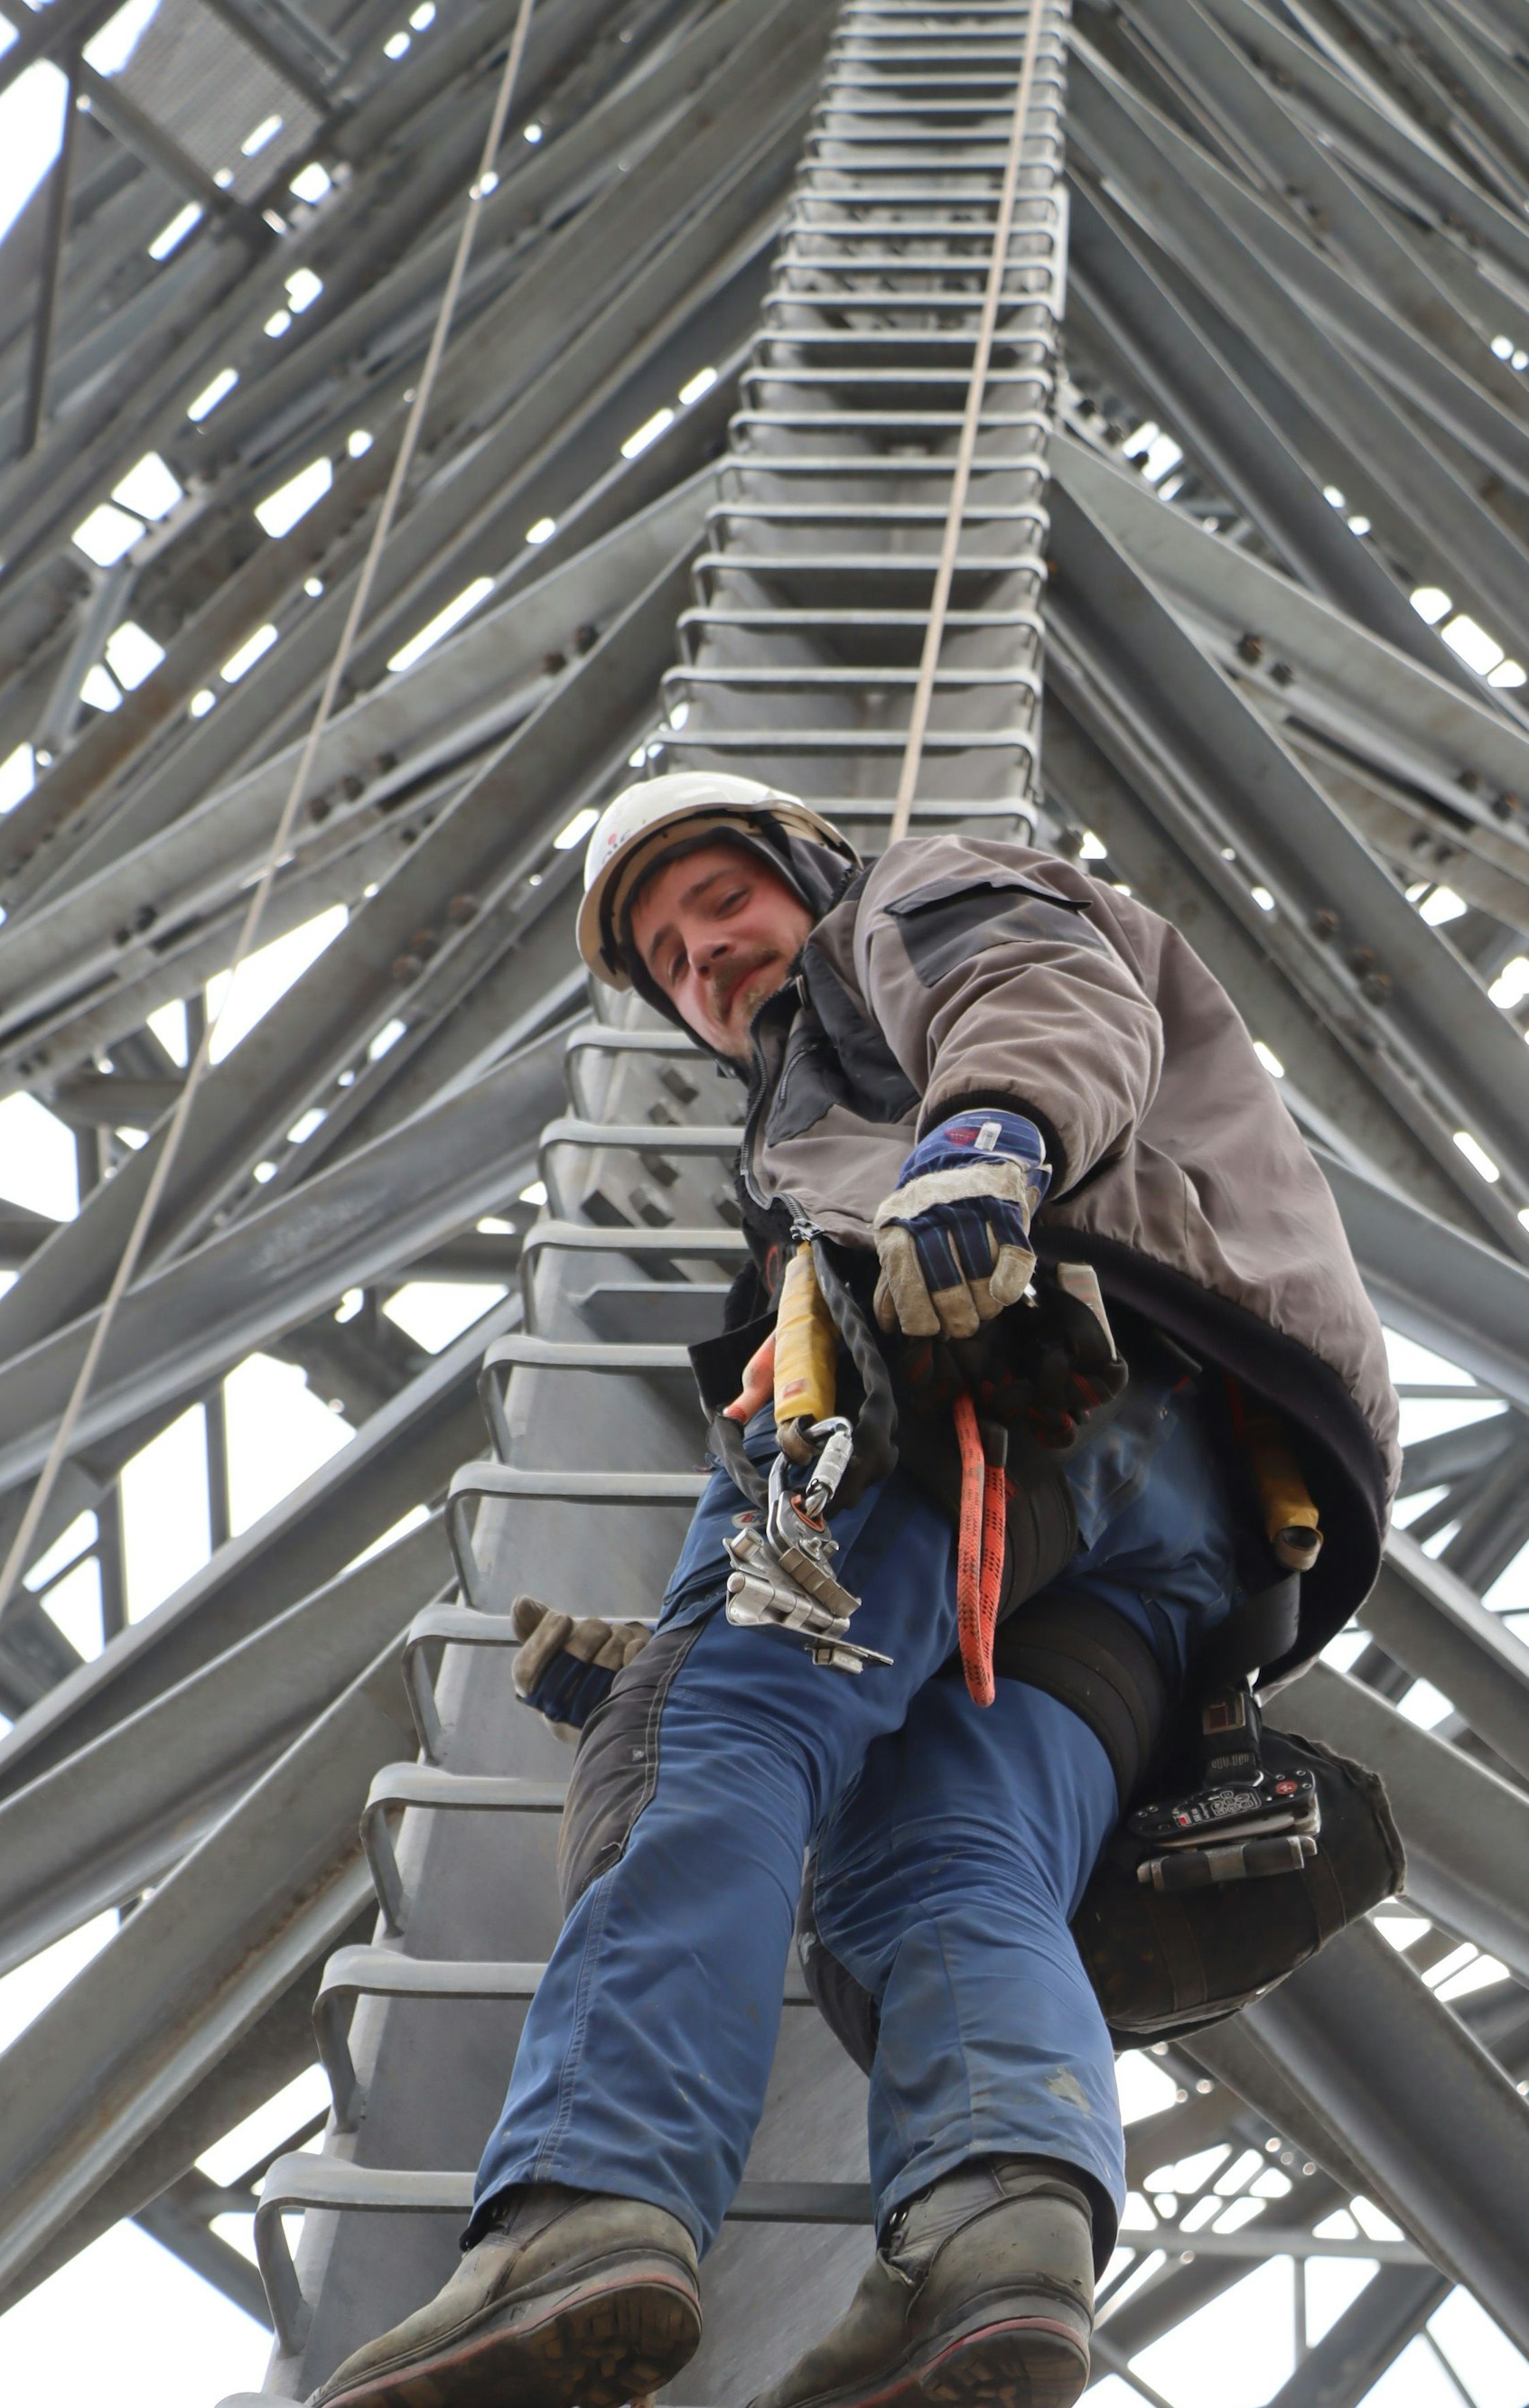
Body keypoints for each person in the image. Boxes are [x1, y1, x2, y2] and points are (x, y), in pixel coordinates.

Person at [312, 772, 1399, 2408]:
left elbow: (1040, 990)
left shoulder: (905, 906)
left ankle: (584, 2202)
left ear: (803, 871)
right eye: (670, 958)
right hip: (1188, 1515)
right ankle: (991, 2249)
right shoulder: (821, 1070)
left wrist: (981, 1149)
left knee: (705, 1732)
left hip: (988, 1380)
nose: (705, 963)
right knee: (942, 1855)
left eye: (720, 906)